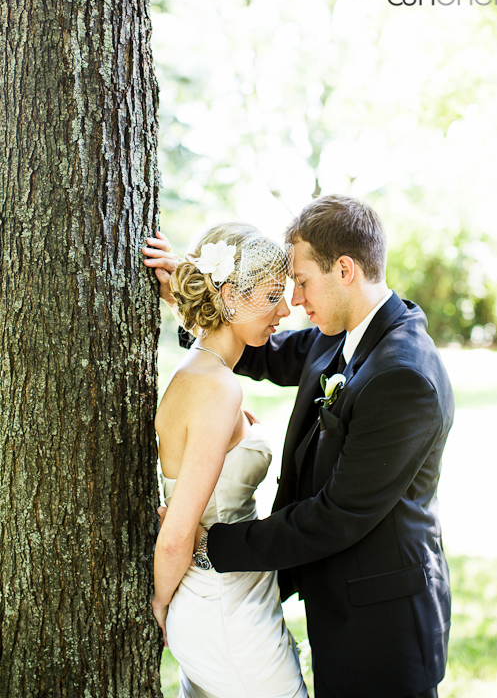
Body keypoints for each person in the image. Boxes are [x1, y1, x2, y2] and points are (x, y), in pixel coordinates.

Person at [145, 194, 455, 698]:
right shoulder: (340, 335)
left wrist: (209, 545)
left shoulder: (403, 375)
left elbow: (336, 516)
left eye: (303, 282)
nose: (295, 300)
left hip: (382, 622)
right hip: (331, 602)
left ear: (346, 270)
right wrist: (198, 291)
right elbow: (262, 351)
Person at [144, 222, 308, 698]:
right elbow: (176, 536)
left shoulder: (206, 371)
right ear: (231, 293)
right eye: (273, 296)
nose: (284, 309)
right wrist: (160, 603)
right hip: (222, 610)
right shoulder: (216, 388)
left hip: (241, 599)